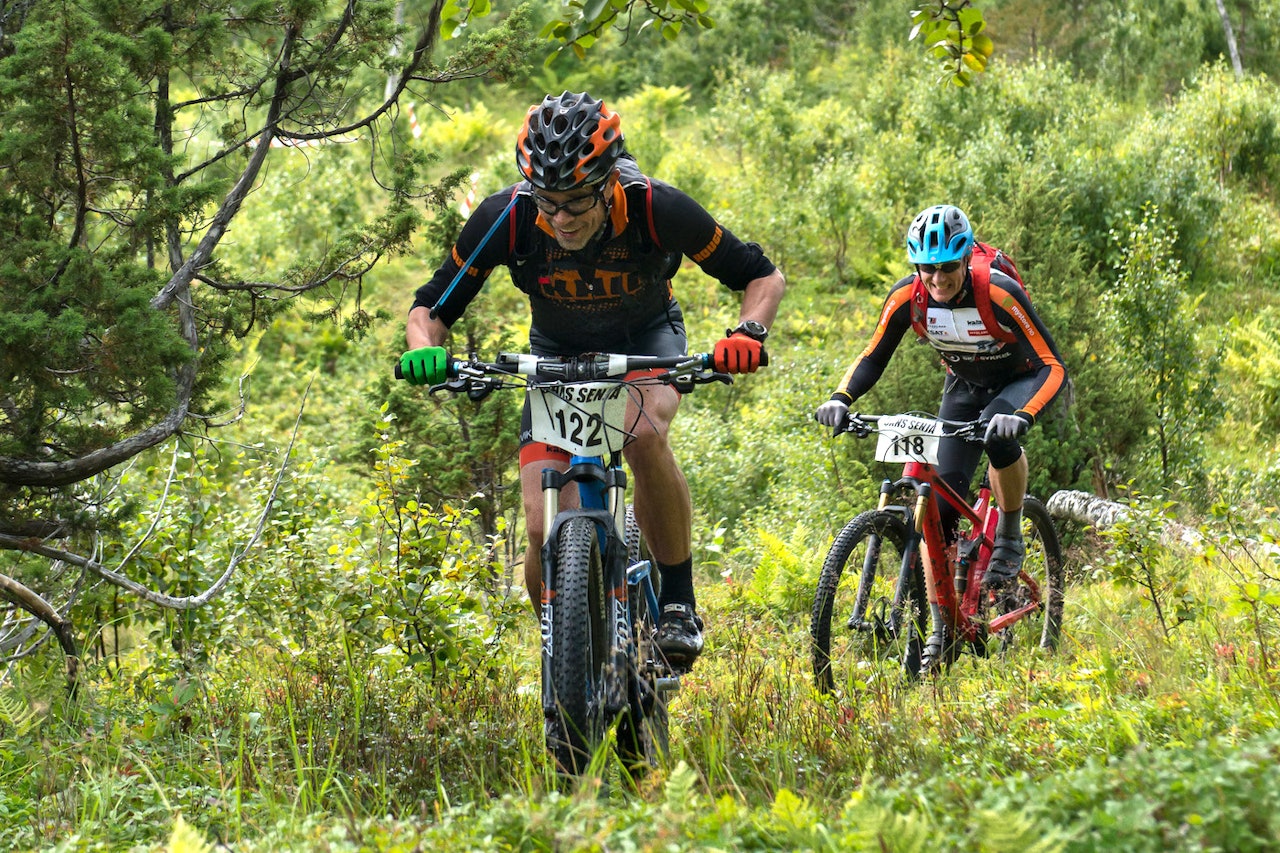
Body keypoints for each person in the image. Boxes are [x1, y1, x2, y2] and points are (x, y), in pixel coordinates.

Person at [400, 92, 785, 669]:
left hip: (645, 341)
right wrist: (425, 350)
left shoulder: (656, 206)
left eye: (578, 200)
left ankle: (678, 603)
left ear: (609, 183)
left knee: (642, 434)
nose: (561, 219)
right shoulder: (507, 216)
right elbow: (430, 308)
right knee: (540, 528)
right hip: (556, 353)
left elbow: (761, 277)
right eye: (548, 202)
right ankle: (567, 664)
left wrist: (747, 333)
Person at [814, 204, 1066, 659]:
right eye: (927, 268)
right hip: (964, 385)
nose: (937, 278)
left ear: (966, 258)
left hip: (1017, 381)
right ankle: (942, 628)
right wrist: (840, 398)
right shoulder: (907, 297)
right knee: (940, 511)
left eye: (948, 266)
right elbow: (872, 356)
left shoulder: (998, 292)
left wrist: (1023, 415)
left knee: (997, 436)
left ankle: (1010, 533)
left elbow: (1052, 365)